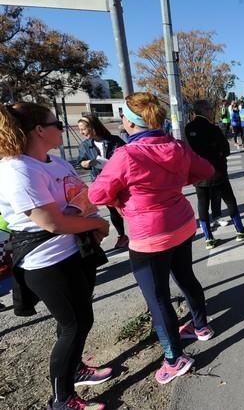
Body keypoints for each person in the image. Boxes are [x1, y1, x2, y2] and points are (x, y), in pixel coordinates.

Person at [88, 92, 216, 385]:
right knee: (186, 277)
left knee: (158, 299)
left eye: (123, 115)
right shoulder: (177, 146)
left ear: (130, 121)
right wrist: (173, 183)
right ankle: (201, 326)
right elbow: (206, 170)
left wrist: (124, 196)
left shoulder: (126, 155)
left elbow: (96, 194)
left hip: (149, 236)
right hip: (182, 224)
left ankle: (174, 359)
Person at [0, 102, 113, 410]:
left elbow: (81, 195)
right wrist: (97, 223)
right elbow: (52, 222)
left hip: (76, 250)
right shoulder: (17, 169)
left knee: (78, 320)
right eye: (57, 124)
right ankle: (60, 400)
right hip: (46, 261)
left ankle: (74, 369)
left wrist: (86, 217)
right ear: (39, 130)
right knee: (75, 323)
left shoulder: (54, 162)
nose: (63, 128)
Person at [185, 100, 244, 249]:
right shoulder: (213, 128)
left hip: (198, 174)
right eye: (210, 109)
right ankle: (240, 230)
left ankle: (208, 238)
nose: (212, 112)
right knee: (230, 201)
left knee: (202, 204)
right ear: (206, 110)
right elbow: (226, 149)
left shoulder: (188, 128)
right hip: (217, 172)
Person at [77, 115, 129, 249]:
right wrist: (87, 163)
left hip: (120, 180)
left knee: (127, 207)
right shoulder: (85, 145)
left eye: (84, 129)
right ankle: (122, 236)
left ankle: (137, 231)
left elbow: (127, 155)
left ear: (93, 127)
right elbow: (80, 162)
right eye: (80, 130)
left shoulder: (114, 140)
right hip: (101, 183)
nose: (82, 132)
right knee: (113, 210)